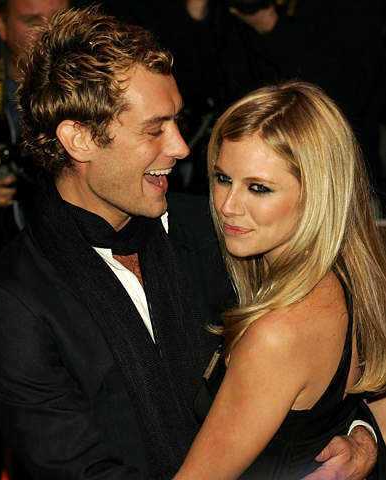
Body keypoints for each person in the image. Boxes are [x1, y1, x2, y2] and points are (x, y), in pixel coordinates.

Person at [0, 7, 379, 479]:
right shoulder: (14, 300)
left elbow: (341, 355)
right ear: (80, 139)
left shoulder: (224, 227)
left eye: (177, 120)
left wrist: (365, 434)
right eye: (155, 129)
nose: (181, 147)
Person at [173, 81, 386, 479]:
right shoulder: (352, 279)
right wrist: (366, 437)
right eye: (222, 178)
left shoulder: (277, 335)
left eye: (259, 188)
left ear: (317, 194)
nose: (228, 205)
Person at [0, 0, 70, 264]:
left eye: (60, 18)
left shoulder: (103, 82)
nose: (48, 33)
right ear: (1, 25)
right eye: (32, 22)